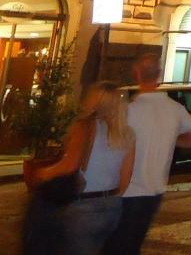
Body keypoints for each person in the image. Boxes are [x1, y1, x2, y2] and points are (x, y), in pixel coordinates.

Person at [103, 53, 191, 255]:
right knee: (132, 244)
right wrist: (173, 139)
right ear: (159, 75)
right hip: (155, 191)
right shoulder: (175, 109)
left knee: (115, 246)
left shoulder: (127, 111)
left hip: (125, 191)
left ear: (136, 74)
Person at [25, 82, 136, 255]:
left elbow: (69, 166)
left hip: (83, 206)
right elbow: (126, 176)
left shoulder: (84, 127)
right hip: (112, 206)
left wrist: (42, 174)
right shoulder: (127, 135)